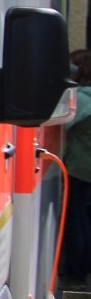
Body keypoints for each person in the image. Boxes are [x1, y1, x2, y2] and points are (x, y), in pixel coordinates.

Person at [60, 47, 91, 286]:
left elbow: (63, 126)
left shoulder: (82, 99)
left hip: (79, 169)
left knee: (75, 221)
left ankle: (75, 273)